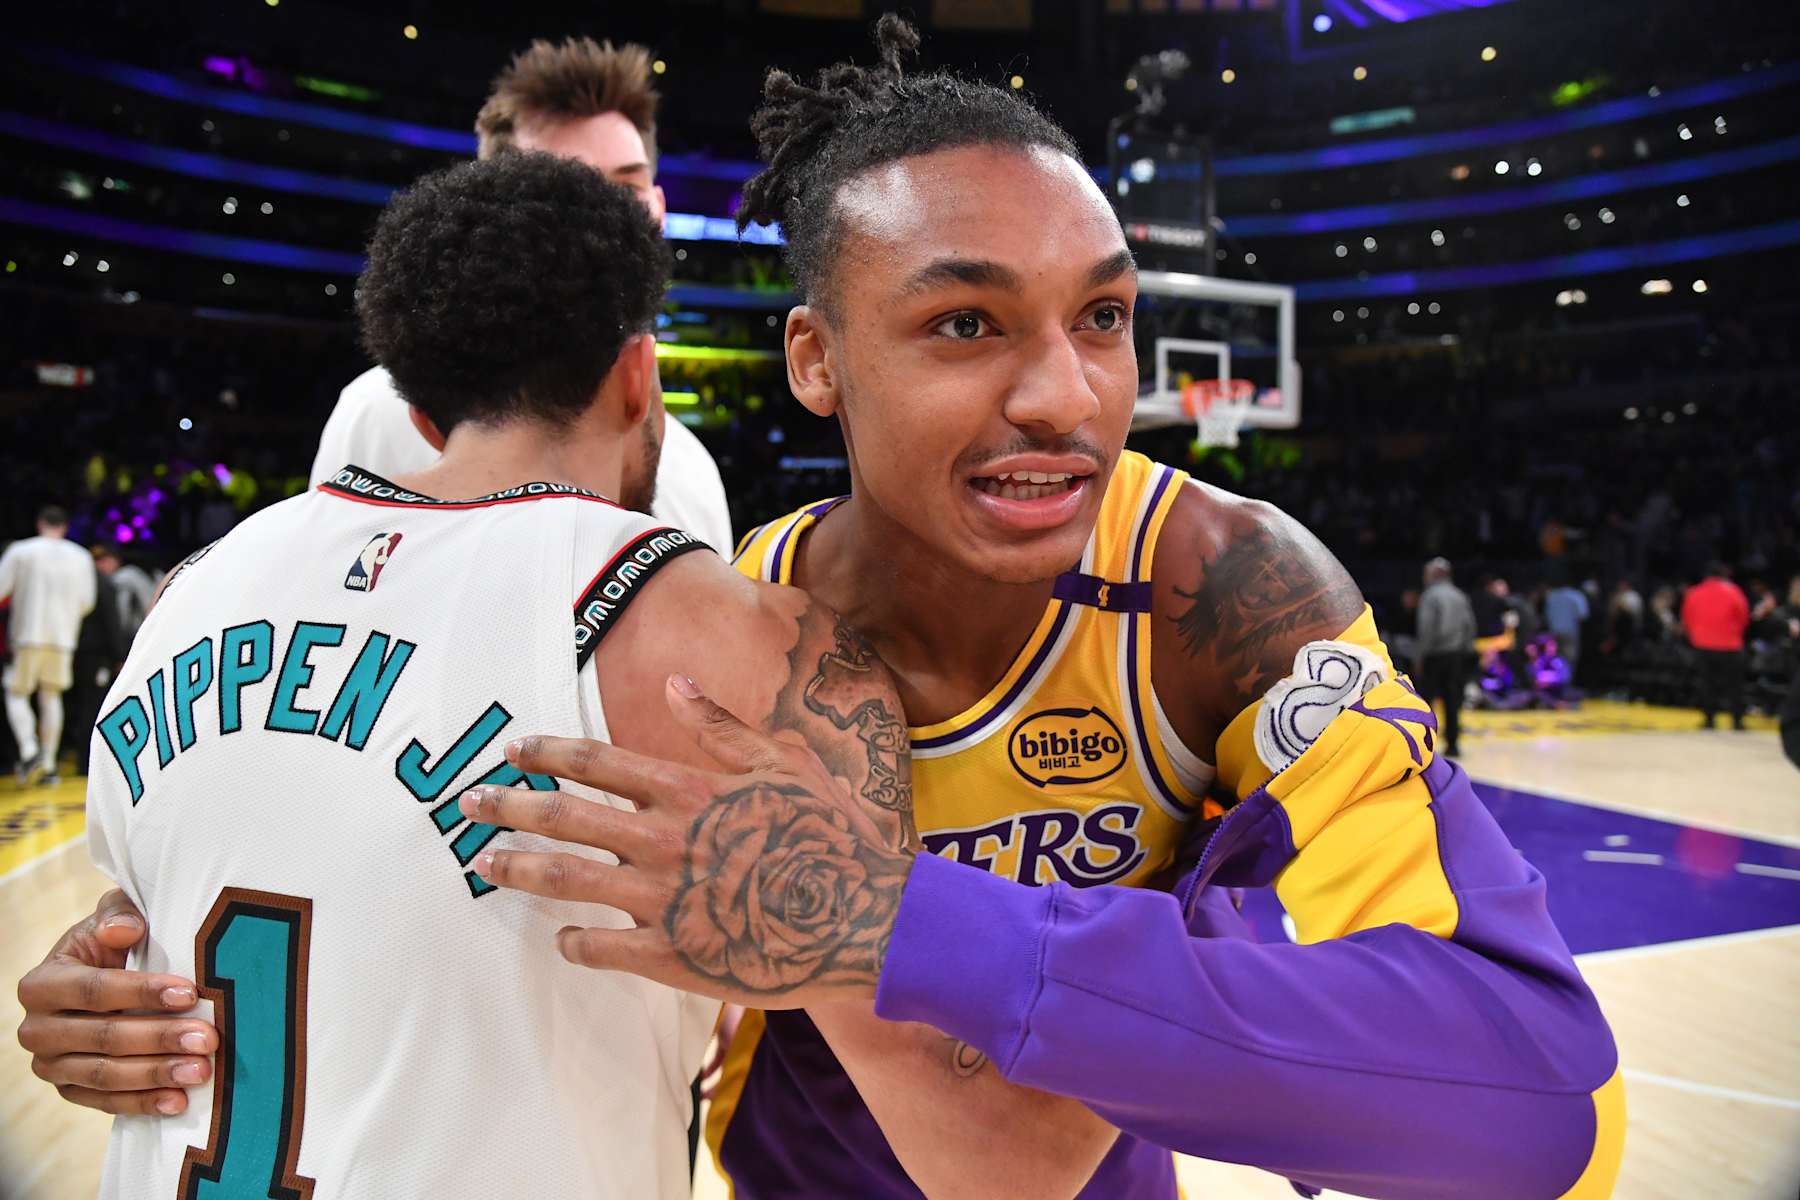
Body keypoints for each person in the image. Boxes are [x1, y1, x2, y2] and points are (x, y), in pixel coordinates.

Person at [20, 19, 1623, 1199]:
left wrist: (892, 918)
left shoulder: (1227, 589)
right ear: (813, 359)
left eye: (1108, 317)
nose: (1066, 396)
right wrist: (143, 989)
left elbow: (1537, 1094)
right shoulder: (725, 605)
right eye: (965, 323)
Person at [22, 154, 910, 1197]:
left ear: (427, 414)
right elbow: (930, 1084)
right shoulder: (716, 627)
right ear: (639, 373)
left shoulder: (194, 593)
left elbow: (125, 945)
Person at [307, 36, 733, 555]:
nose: (605, 222)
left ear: (659, 208)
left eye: (625, 191)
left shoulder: (694, 474)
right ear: (493, 214)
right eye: (560, 192)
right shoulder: (379, 413)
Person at [0, 505, 97, 784]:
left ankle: (30, 750)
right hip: (63, 636)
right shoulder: (81, 556)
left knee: (16, 691)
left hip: (28, 633)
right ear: (65, 527)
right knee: (51, 696)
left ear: (39, 523)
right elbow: (86, 602)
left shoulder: (21, 550)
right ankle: (50, 763)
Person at [66, 546, 129, 776]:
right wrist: (120, 655)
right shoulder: (102, 583)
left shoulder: (76, 581)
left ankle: (79, 757)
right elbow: (111, 623)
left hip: (75, 650)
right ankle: (87, 762)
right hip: (96, 654)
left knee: (79, 703)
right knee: (93, 706)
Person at [1414, 556, 1477, 756]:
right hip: (1456, 655)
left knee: (1426, 701)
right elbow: (1470, 626)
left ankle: (1424, 746)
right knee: (1452, 701)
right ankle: (1453, 744)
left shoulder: (1430, 596)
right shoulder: (1460, 595)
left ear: (1433, 575)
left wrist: (1420, 656)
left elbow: (1427, 629)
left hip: (1434, 655)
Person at [1682, 561, 1750, 729]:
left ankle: (1709, 720)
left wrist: (1696, 636)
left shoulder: (1694, 592)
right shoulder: (1734, 591)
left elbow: (1687, 618)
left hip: (1703, 644)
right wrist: (1735, 634)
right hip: (1730, 645)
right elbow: (1743, 617)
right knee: (1735, 686)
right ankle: (1737, 721)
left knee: (1707, 685)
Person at [97, 544, 157, 643]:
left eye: (104, 560)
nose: (99, 565)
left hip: (136, 636)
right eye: (97, 561)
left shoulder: (124, 577)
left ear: (116, 559)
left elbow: (121, 615)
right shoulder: (155, 574)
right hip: (150, 631)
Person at [1544, 572, 1591, 683]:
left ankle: (1557, 685)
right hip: (1570, 631)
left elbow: (1546, 615)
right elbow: (1583, 615)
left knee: (1556, 659)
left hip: (1554, 631)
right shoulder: (1576, 596)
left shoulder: (1551, 596)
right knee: (1569, 659)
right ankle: (1565, 685)